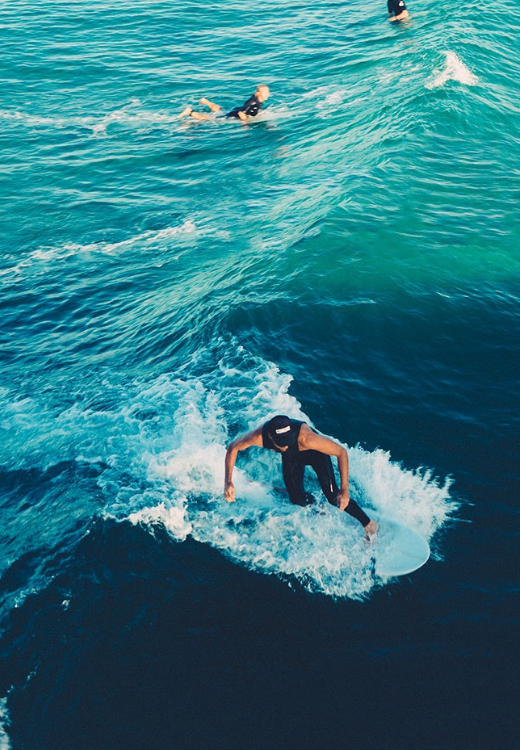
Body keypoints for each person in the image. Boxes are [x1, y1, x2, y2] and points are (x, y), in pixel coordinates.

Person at [224, 415, 379, 540]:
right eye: (281, 444)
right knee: (296, 498)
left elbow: (341, 452)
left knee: (333, 497)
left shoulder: (307, 438)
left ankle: (369, 524)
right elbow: (233, 447)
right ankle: (318, 508)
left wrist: (345, 490)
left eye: (287, 441)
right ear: (270, 437)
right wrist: (228, 482)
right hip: (292, 458)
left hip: (316, 456)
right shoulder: (258, 436)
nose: (285, 446)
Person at [179, 84, 270, 123]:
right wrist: (245, 123)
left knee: (221, 111)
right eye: (265, 93)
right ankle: (190, 112)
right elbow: (241, 113)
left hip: (235, 110)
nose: (267, 94)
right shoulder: (253, 101)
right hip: (234, 114)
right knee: (208, 119)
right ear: (258, 93)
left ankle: (206, 102)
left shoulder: (257, 100)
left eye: (268, 92)